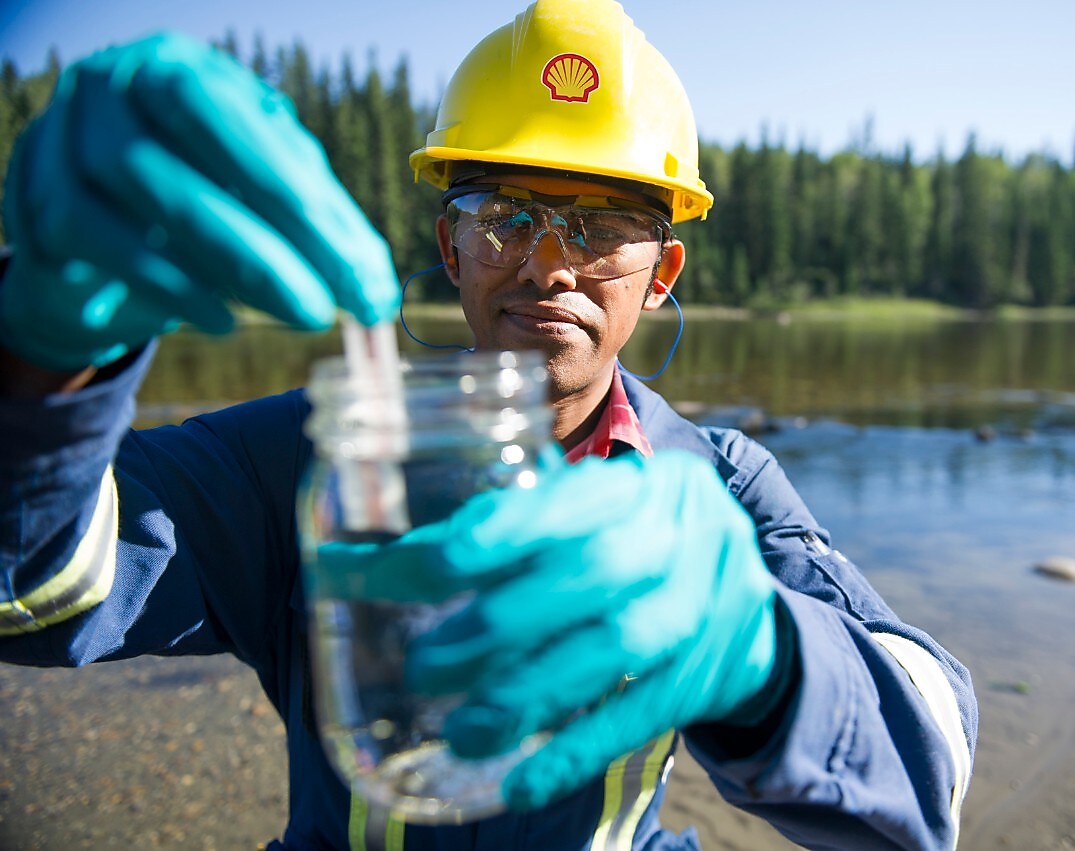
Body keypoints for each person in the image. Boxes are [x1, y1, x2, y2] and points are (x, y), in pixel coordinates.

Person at [0, 1, 977, 849]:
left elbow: (932, 765)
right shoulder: (307, 458)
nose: (548, 265)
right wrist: (38, 362)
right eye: (505, 213)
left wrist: (770, 655)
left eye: (597, 228)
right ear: (452, 245)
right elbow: (40, 589)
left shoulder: (720, 490)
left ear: (661, 275)